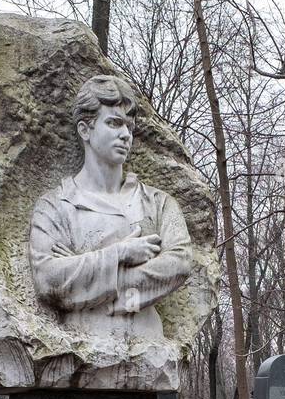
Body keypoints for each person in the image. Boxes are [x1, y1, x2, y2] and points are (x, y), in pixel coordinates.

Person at [29, 75, 193, 335]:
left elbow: (179, 264)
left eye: (129, 126)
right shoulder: (55, 206)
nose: (126, 134)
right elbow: (49, 279)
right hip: (79, 352)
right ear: (85, 130)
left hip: (149, 351)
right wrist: (120, 254)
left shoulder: (158, 204)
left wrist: (94, 282)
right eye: (114, 123)